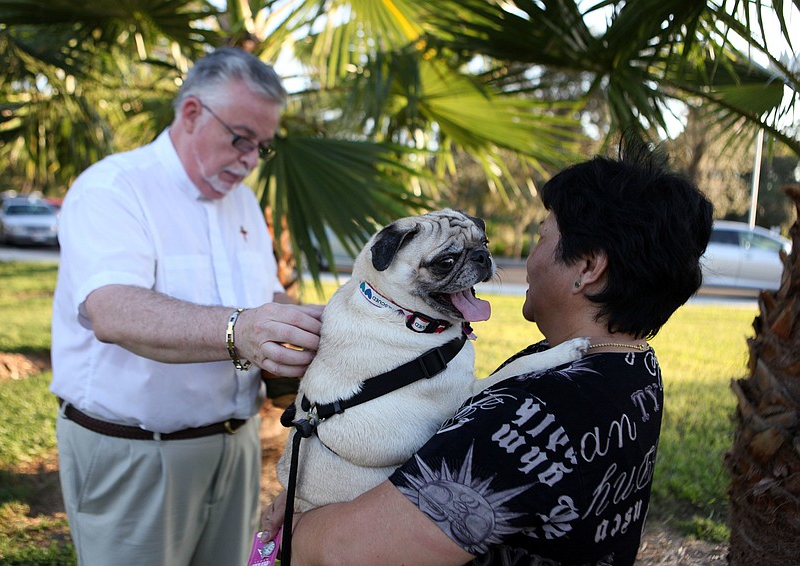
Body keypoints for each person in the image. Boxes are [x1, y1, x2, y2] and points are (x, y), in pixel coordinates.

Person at [261, 137, 714, 565]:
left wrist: (301, 524)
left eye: (540, 237)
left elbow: (346, 553)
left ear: (589, 268)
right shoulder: (628, 364)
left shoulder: (529, 420)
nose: (529, 260)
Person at [50, 47, 323, 566]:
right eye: (241, 138)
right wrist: (240, 330)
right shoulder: (114, 189)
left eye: (260, 147)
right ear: (193, 112)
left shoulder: (242, 201)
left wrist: (315, 319)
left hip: (236, 448)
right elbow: (113, 311)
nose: (248, 159)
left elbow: (263, 296)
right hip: (136, 453)